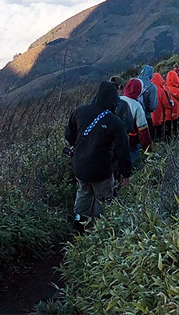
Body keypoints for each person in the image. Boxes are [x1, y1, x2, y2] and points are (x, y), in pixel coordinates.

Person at [65, 81, 131, 231]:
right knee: (103, 199)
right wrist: (125, 175)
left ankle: (78, 225)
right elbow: (123, 151)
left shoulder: (80, 111)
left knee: (83, 194)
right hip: (101, 170)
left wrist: (80, 146)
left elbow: (69, 134)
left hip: (80, 166)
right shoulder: (115, 122)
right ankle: (97, 230)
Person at [119, 78, 153, 165]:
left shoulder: (119, 99)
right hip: (131, 142)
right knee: (130, 166)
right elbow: (143, 131)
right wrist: (148, 150)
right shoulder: (137, 106)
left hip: (116, 141)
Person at [162, 70, 179, 140]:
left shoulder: (163, 88)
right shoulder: (177, 91)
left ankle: (166, 141)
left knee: (166, 130)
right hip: (175, 114)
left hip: (165, 115)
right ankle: (175, 140)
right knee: (175, 129)